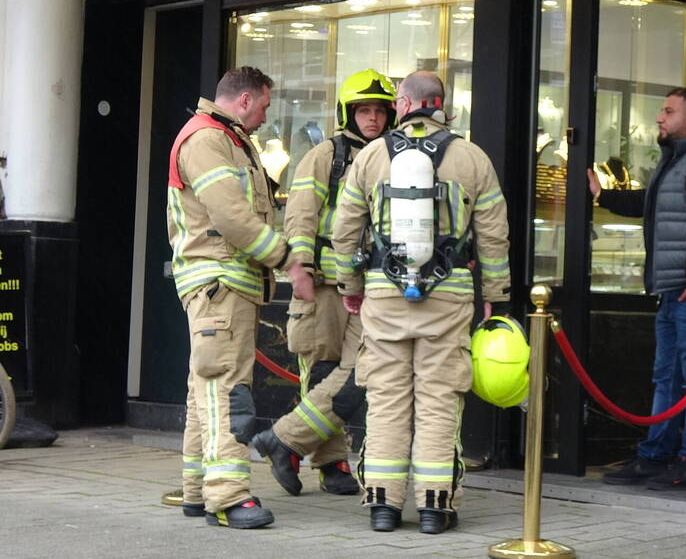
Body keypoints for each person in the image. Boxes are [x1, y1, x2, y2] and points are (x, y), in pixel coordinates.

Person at [332, 71, 511, 534]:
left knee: (387, 398)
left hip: (385, 295)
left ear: (403, 105)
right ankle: (435, 507)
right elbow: (493, 237)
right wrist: (493, 296)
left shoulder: (372, 156)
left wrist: (350, 286)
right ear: (442, 107)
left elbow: (345, 231)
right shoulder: (473, 158)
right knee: (438, 400)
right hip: (449, 296)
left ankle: (383, 506)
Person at [167, 66, 315, 528]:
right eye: (266, 106)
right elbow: (232, 216)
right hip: (221, 282)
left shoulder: (222, 138)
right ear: (246, 100)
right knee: (227, 390)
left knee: (205, 388)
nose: (267, 118)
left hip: (221, 282)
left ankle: (197, 489)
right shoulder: (209, 140)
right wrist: (286, 259)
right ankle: (228, 498)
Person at [251, 69, 396, 497]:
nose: (372, 119)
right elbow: (299, 215)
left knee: (359, 376)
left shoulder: (393, 155)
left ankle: (284, 441)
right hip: (326, 285)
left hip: (373, 286)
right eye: (363, 110)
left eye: (379, 111)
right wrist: (301, 271)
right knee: (322, 372)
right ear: (347, 113)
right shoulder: (325, 155)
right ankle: (332, 464)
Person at [591, 87, 686, 491]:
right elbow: (652, 203)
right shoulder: (677, 160)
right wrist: (603, 195)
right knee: (667, 378)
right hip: (674, 290)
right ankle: (655, 456)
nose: (660, 117)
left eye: (668, 111)